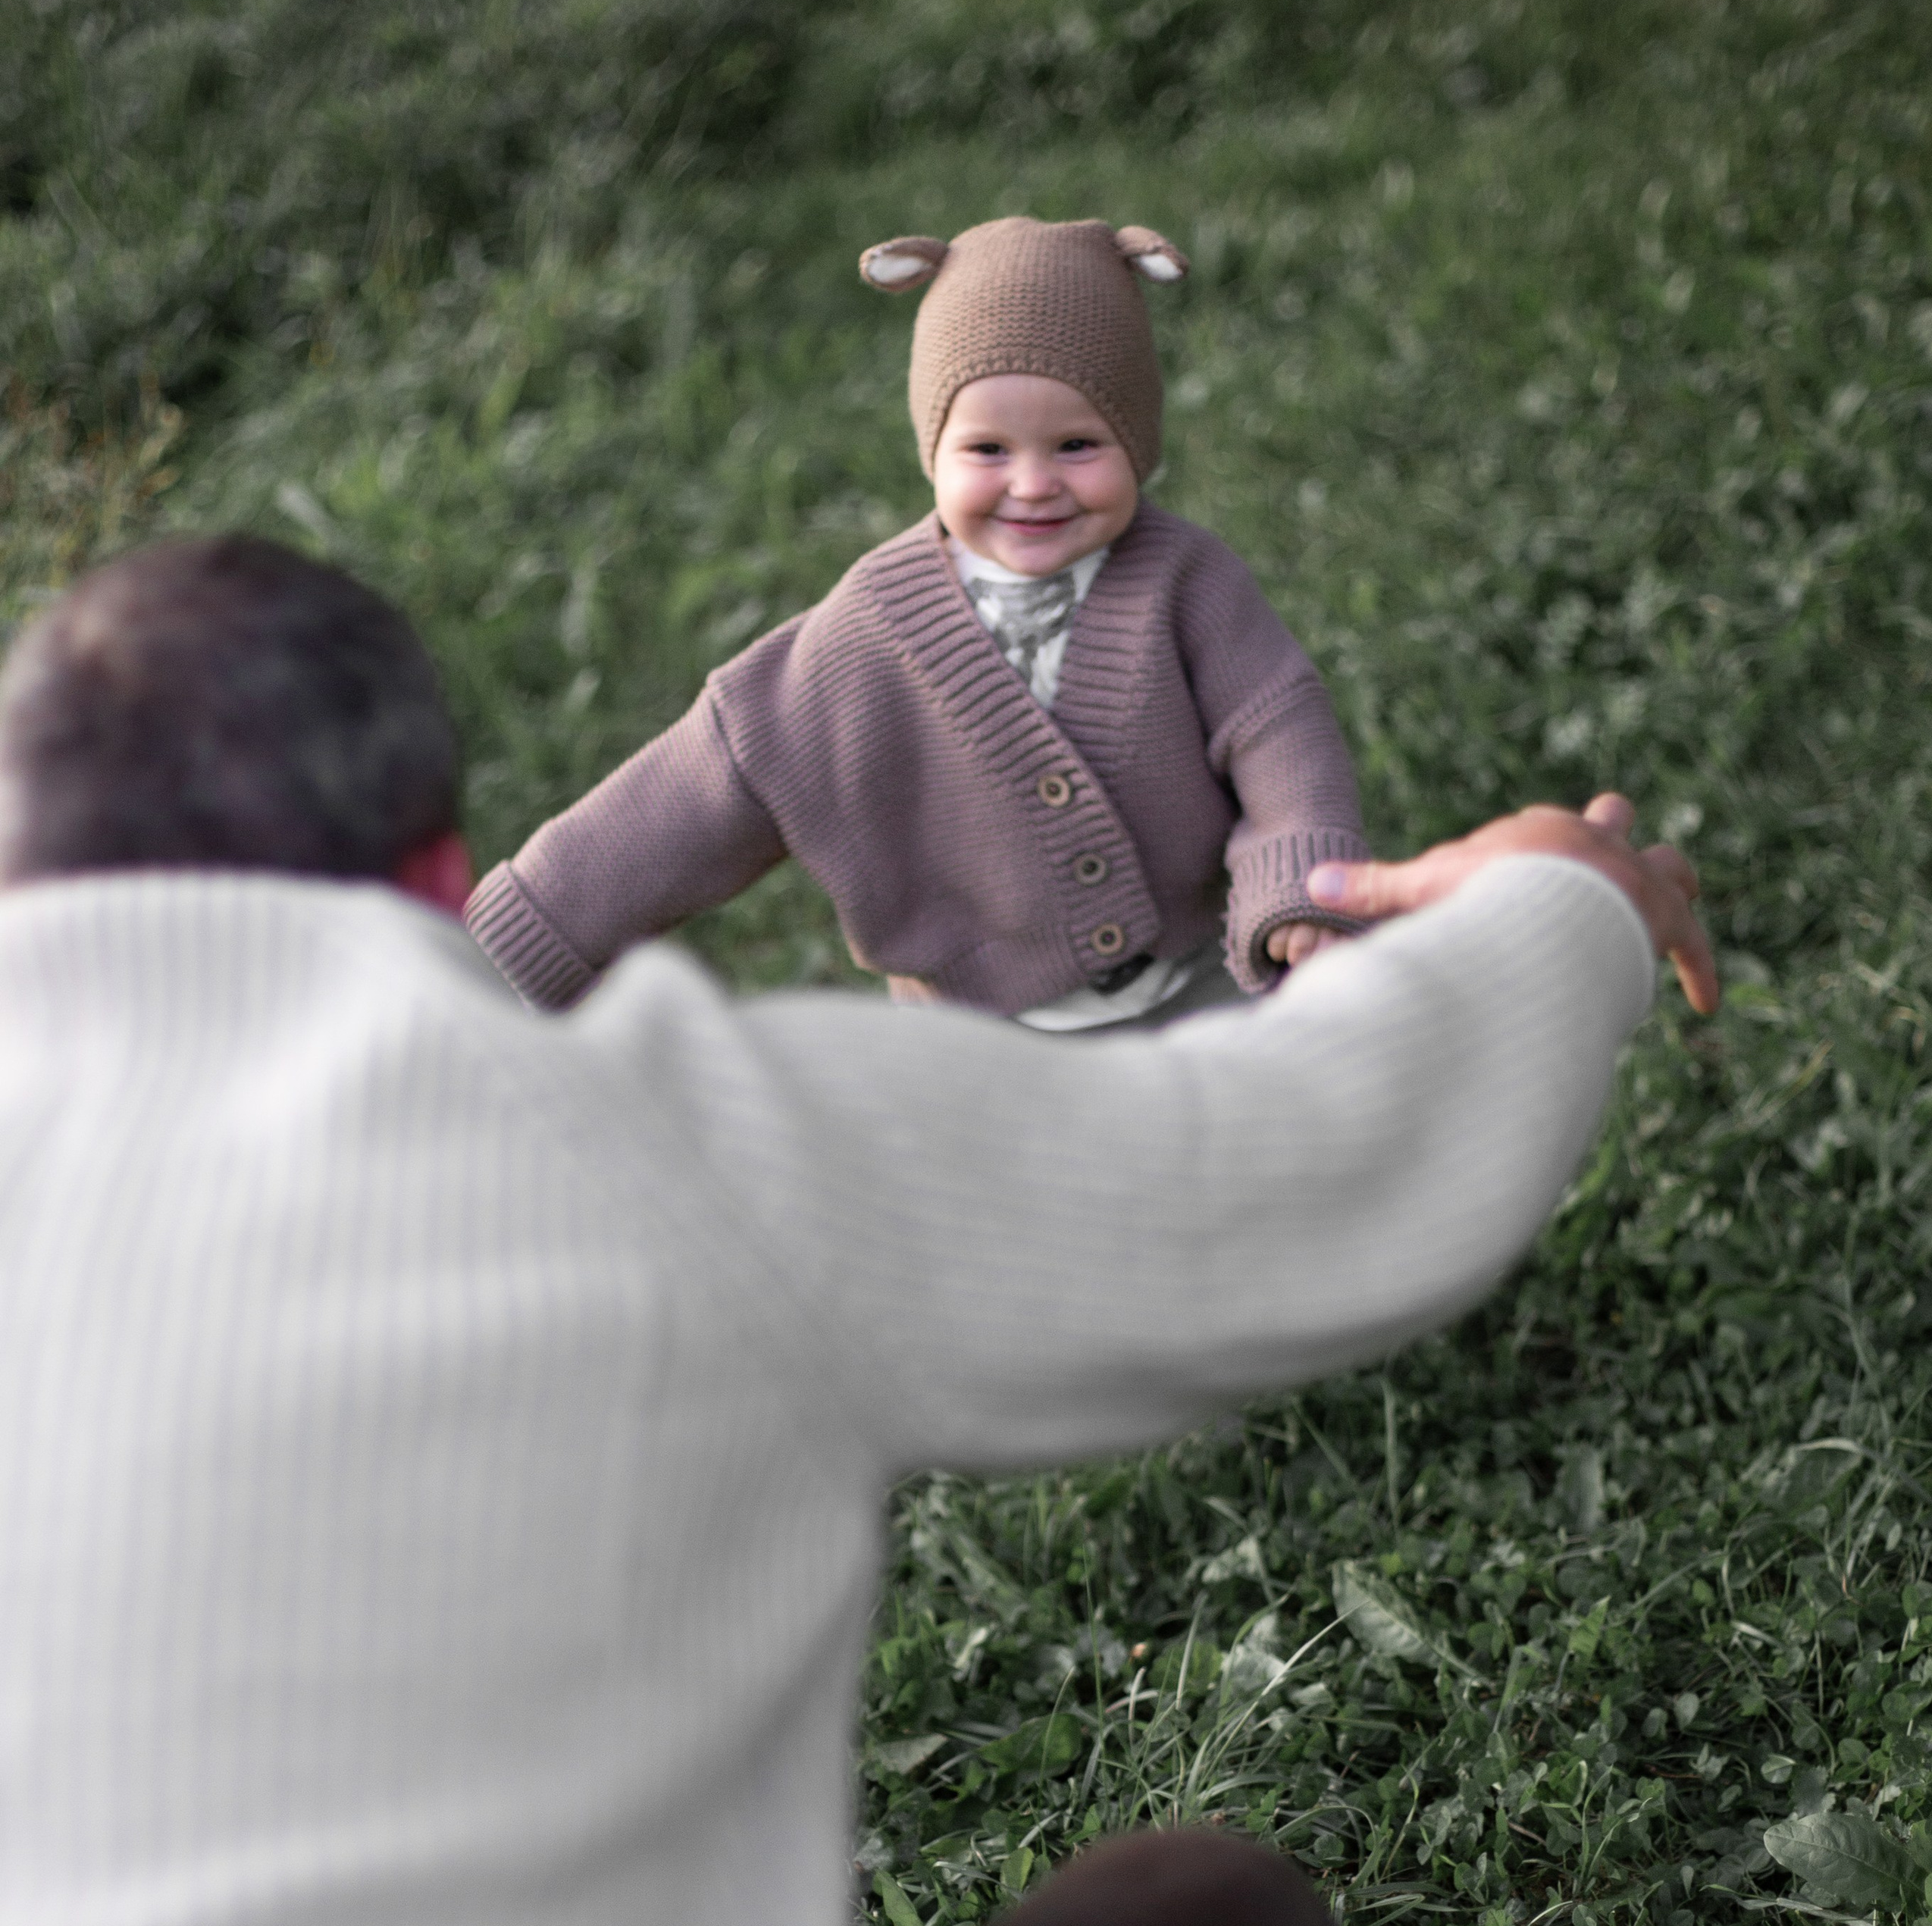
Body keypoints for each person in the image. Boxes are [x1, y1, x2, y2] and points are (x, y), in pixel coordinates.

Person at [0, 535, 1714, 1925]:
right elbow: (1317, 1159)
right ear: (442, 872)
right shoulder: (663, 1146)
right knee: (1204, 1905)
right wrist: (1562, 893)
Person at [465, 216, 1368, 1032]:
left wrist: (1297, 884)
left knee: (1245, 1177)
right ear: (931, 451)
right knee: (1027, 1211)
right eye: (986, 449)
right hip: (978, 1035)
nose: (1032, 482)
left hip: (1201, 980)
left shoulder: (1188, 583)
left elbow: (1277, 728)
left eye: (1077, 445)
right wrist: (532, 930)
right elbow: (710, 780)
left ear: (1138, 442)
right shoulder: (868, 631)